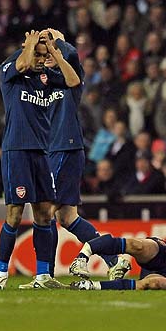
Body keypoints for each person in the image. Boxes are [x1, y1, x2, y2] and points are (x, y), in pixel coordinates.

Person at [39, 28, 131, 285]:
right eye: (45, 53)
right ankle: (115, 259)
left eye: (51, 51)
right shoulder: (44, 81)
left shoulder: (71, 78)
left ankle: (44, 273)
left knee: (45, 210)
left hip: (65, 148)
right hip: (52, 150)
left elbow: (71, 55)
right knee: (66, 217)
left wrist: (59, 42)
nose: (48, 56)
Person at [0, 31, 62, 289]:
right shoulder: (10, 71)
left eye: (45, 56)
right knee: (14, 213)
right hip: (17, 150)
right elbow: (22, 62)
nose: (41, 60)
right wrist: (31, 44)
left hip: (41, 152)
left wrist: (55, 49)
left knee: (44, 213)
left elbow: (73, 79)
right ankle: (1, 273)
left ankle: (42, 275)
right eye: (39, 54)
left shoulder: (46, 79)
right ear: (28, 49)